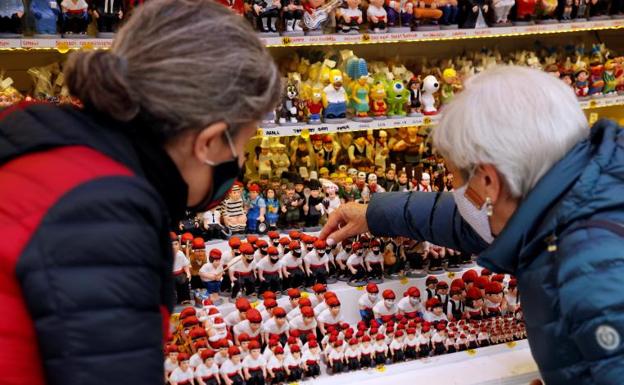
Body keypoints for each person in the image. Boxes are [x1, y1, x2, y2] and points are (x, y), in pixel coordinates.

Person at [0, 1, 280, 384]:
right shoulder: (103, 213)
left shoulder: (34, 139)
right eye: (244, 143)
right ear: (210, 140)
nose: (241, 163)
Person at [320, 66, 624, 384]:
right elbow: (475, 220)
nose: (454, 189)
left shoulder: (590, 273)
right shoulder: (578, 190)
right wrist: (376, 214)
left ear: (489, 181)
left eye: (454, 177)